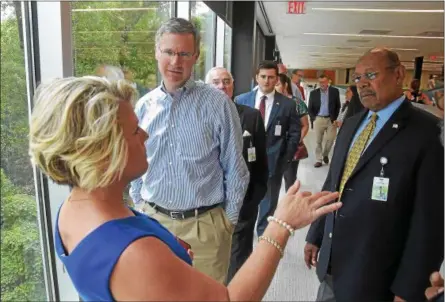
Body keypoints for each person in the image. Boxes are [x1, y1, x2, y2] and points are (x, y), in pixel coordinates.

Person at [28, 76, 342, 301]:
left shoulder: (72, 209)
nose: (146, 137)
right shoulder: (136, 254)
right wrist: (281, 224)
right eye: (135, 130)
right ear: (103, 151)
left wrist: (165, 248)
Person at [305, 48, 444, 301]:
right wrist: (315, 234)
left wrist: (410, 289)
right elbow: (333, 183)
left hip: (378, 276)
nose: (363, 84)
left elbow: (430, 223)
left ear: (399, 74)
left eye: (371, 74)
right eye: (357, 78)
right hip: (332, 265)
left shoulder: (428, 133)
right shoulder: (351, 125)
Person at [129, 17, 250, 283]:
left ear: (195, 56)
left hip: (204, 229)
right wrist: (139, 204)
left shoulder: (218, 104)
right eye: (169, 52)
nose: (176, 61)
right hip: (153, 224)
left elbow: (236, 168)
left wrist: (227, 223)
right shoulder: (143, 107)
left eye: (184, 53)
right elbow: (134, 163)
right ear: (157, 52)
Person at [205, 67, 268, 282]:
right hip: (207, 210)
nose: (222, 86)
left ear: (233, 85)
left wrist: (251, 203)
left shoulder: (251, 116)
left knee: (238, 263)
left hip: (243, 206)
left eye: (226, 81)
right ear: (207, 86)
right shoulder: (199, 117)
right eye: (216, 82)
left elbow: (260, 164)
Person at [235, 60, 301, 237]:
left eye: (271, 77)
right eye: (263, 77)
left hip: (274, 162)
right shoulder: (241, 100)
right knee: (245, 202)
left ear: (277, 79)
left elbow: (294, 134)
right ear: (256, 78)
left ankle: (263, 235)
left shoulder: (287, 105)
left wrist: (285, 159)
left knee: (268, 202)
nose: (266, 81)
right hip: (245, 162)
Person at [275, 73, 309, 191]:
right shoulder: (269, 102)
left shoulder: (296, 102)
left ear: (285, 85)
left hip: (291, 147)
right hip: (273, 147)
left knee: (290, 178)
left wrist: (296, 141)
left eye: (277, 84)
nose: (274, 87)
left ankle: (291, 204)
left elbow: (305, 125)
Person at [308, 74, 341, 168]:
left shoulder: (335, 91)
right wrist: (313, 118)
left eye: (324, 82)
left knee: (331, 139)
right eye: (320, 82)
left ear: (328, 82)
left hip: (331, 119)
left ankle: (325, 154)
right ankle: (319, 160)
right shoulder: (313, 93)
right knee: (318, 141)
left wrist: (334, 117)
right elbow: (310, 108)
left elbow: (338, 105)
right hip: (318, 119)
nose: (322, 84)